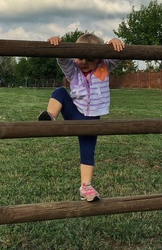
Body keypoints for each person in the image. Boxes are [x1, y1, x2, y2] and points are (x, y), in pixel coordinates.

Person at [38, 33, 125, 201]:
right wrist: (58, 44)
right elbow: (62, 59)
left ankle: (86, 186)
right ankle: (50, 116)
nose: (84, 62)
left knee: (88, 151)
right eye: (80, 58)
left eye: (90, 60)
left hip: (92, 118)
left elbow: (117, 56)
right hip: (74, 113)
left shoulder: (104, 67)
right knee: (61, 91)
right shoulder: (73, 70)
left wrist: (112, 44)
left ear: (99, 58)